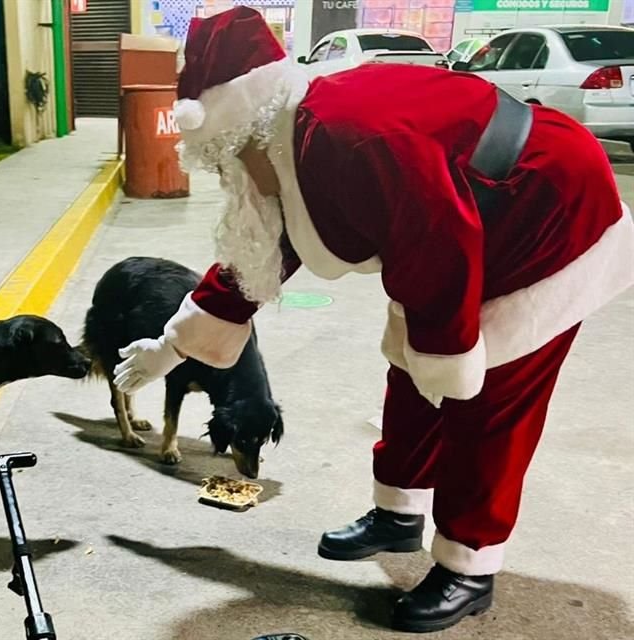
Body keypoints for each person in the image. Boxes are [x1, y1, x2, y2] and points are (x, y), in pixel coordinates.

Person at [112, 7, 634, 634]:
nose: (228, 180)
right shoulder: (285, 142)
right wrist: (170, 349)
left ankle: (469, 566)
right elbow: (258, 256)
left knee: (487, 403)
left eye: (224, 161)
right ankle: (398, 514)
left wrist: (449, 353)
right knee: (410, 376)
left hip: (545, 211)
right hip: (465, 218)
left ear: (246, 130)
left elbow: (441, 235)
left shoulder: (340, 136)